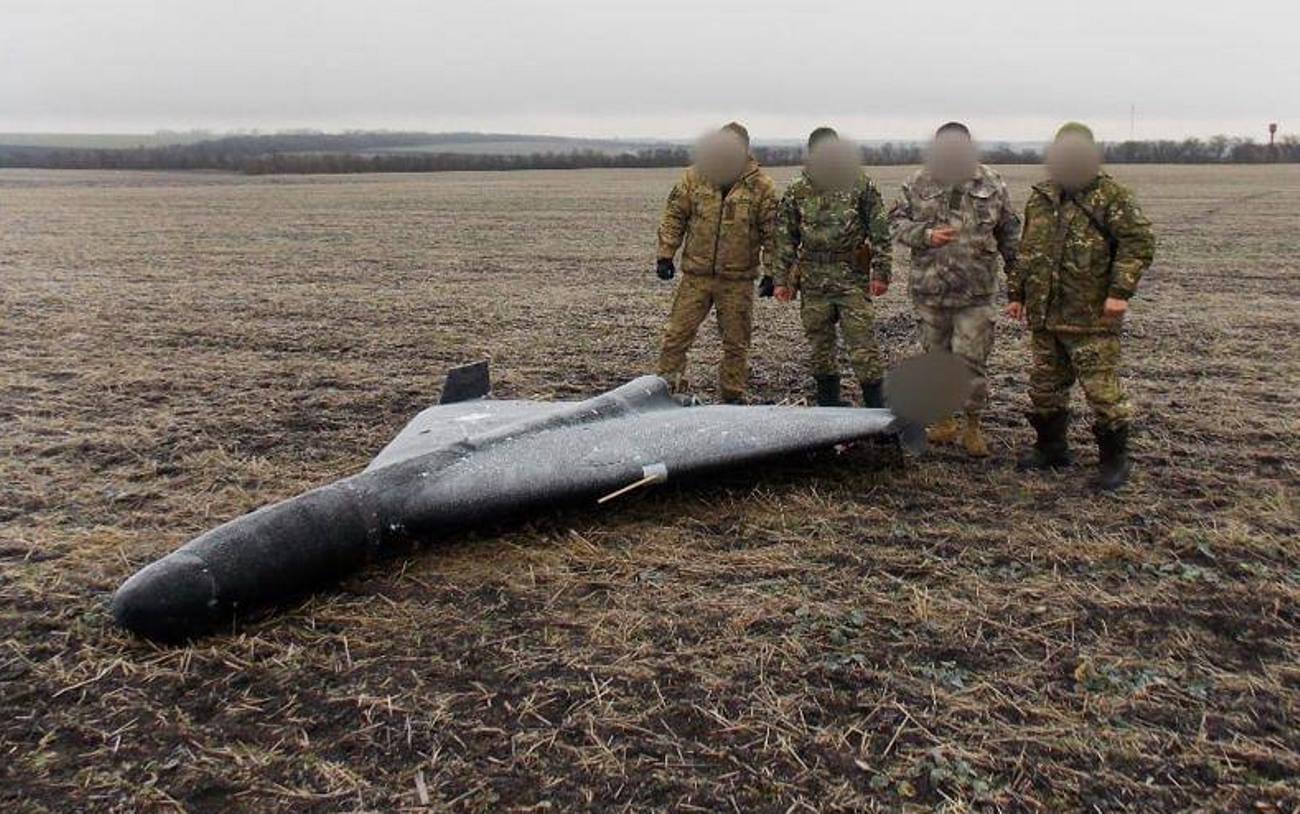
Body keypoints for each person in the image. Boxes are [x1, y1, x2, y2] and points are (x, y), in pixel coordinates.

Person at [1006, 122, 1156, 490]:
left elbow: (1138, 244)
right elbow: (1027, 252)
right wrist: (1017, 294)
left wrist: (1120, 292)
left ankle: (1113, 462)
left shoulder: (1111, 197)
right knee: (1043, 387)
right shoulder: (1040, 198)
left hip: (1090, 315)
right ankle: (1051, 448)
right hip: (1044, 315)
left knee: (1102, 391)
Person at [889, 122, 1020, 457]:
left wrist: (1019, 287)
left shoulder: (991, 183)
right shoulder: (917, 182)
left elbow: (1010, 234)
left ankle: (973, 425)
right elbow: (894, 223)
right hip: (930, 291)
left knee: (972, 362)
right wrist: (925, 235)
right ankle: (944, 420)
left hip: (976, 293)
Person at [655, 122, 779, 404]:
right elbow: (675, 216)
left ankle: (732, 398)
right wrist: (665, 254)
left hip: (738, 280)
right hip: (696, 276)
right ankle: (665, 392)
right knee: (676, 336)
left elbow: (773, 233)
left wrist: (773, 273)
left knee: (736, 344)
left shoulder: (761, 186)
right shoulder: (695, 178)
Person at [772, 128, 893, 407]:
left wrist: (881, 273)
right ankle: (829, 408)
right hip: (814, 281)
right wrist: (781, 280)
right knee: (820, 349)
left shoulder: (859, 184)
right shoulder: (797, 190)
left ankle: (878, 413)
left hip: (851, 278)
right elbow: (785, 237)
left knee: (863, 348)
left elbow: (880, 231)